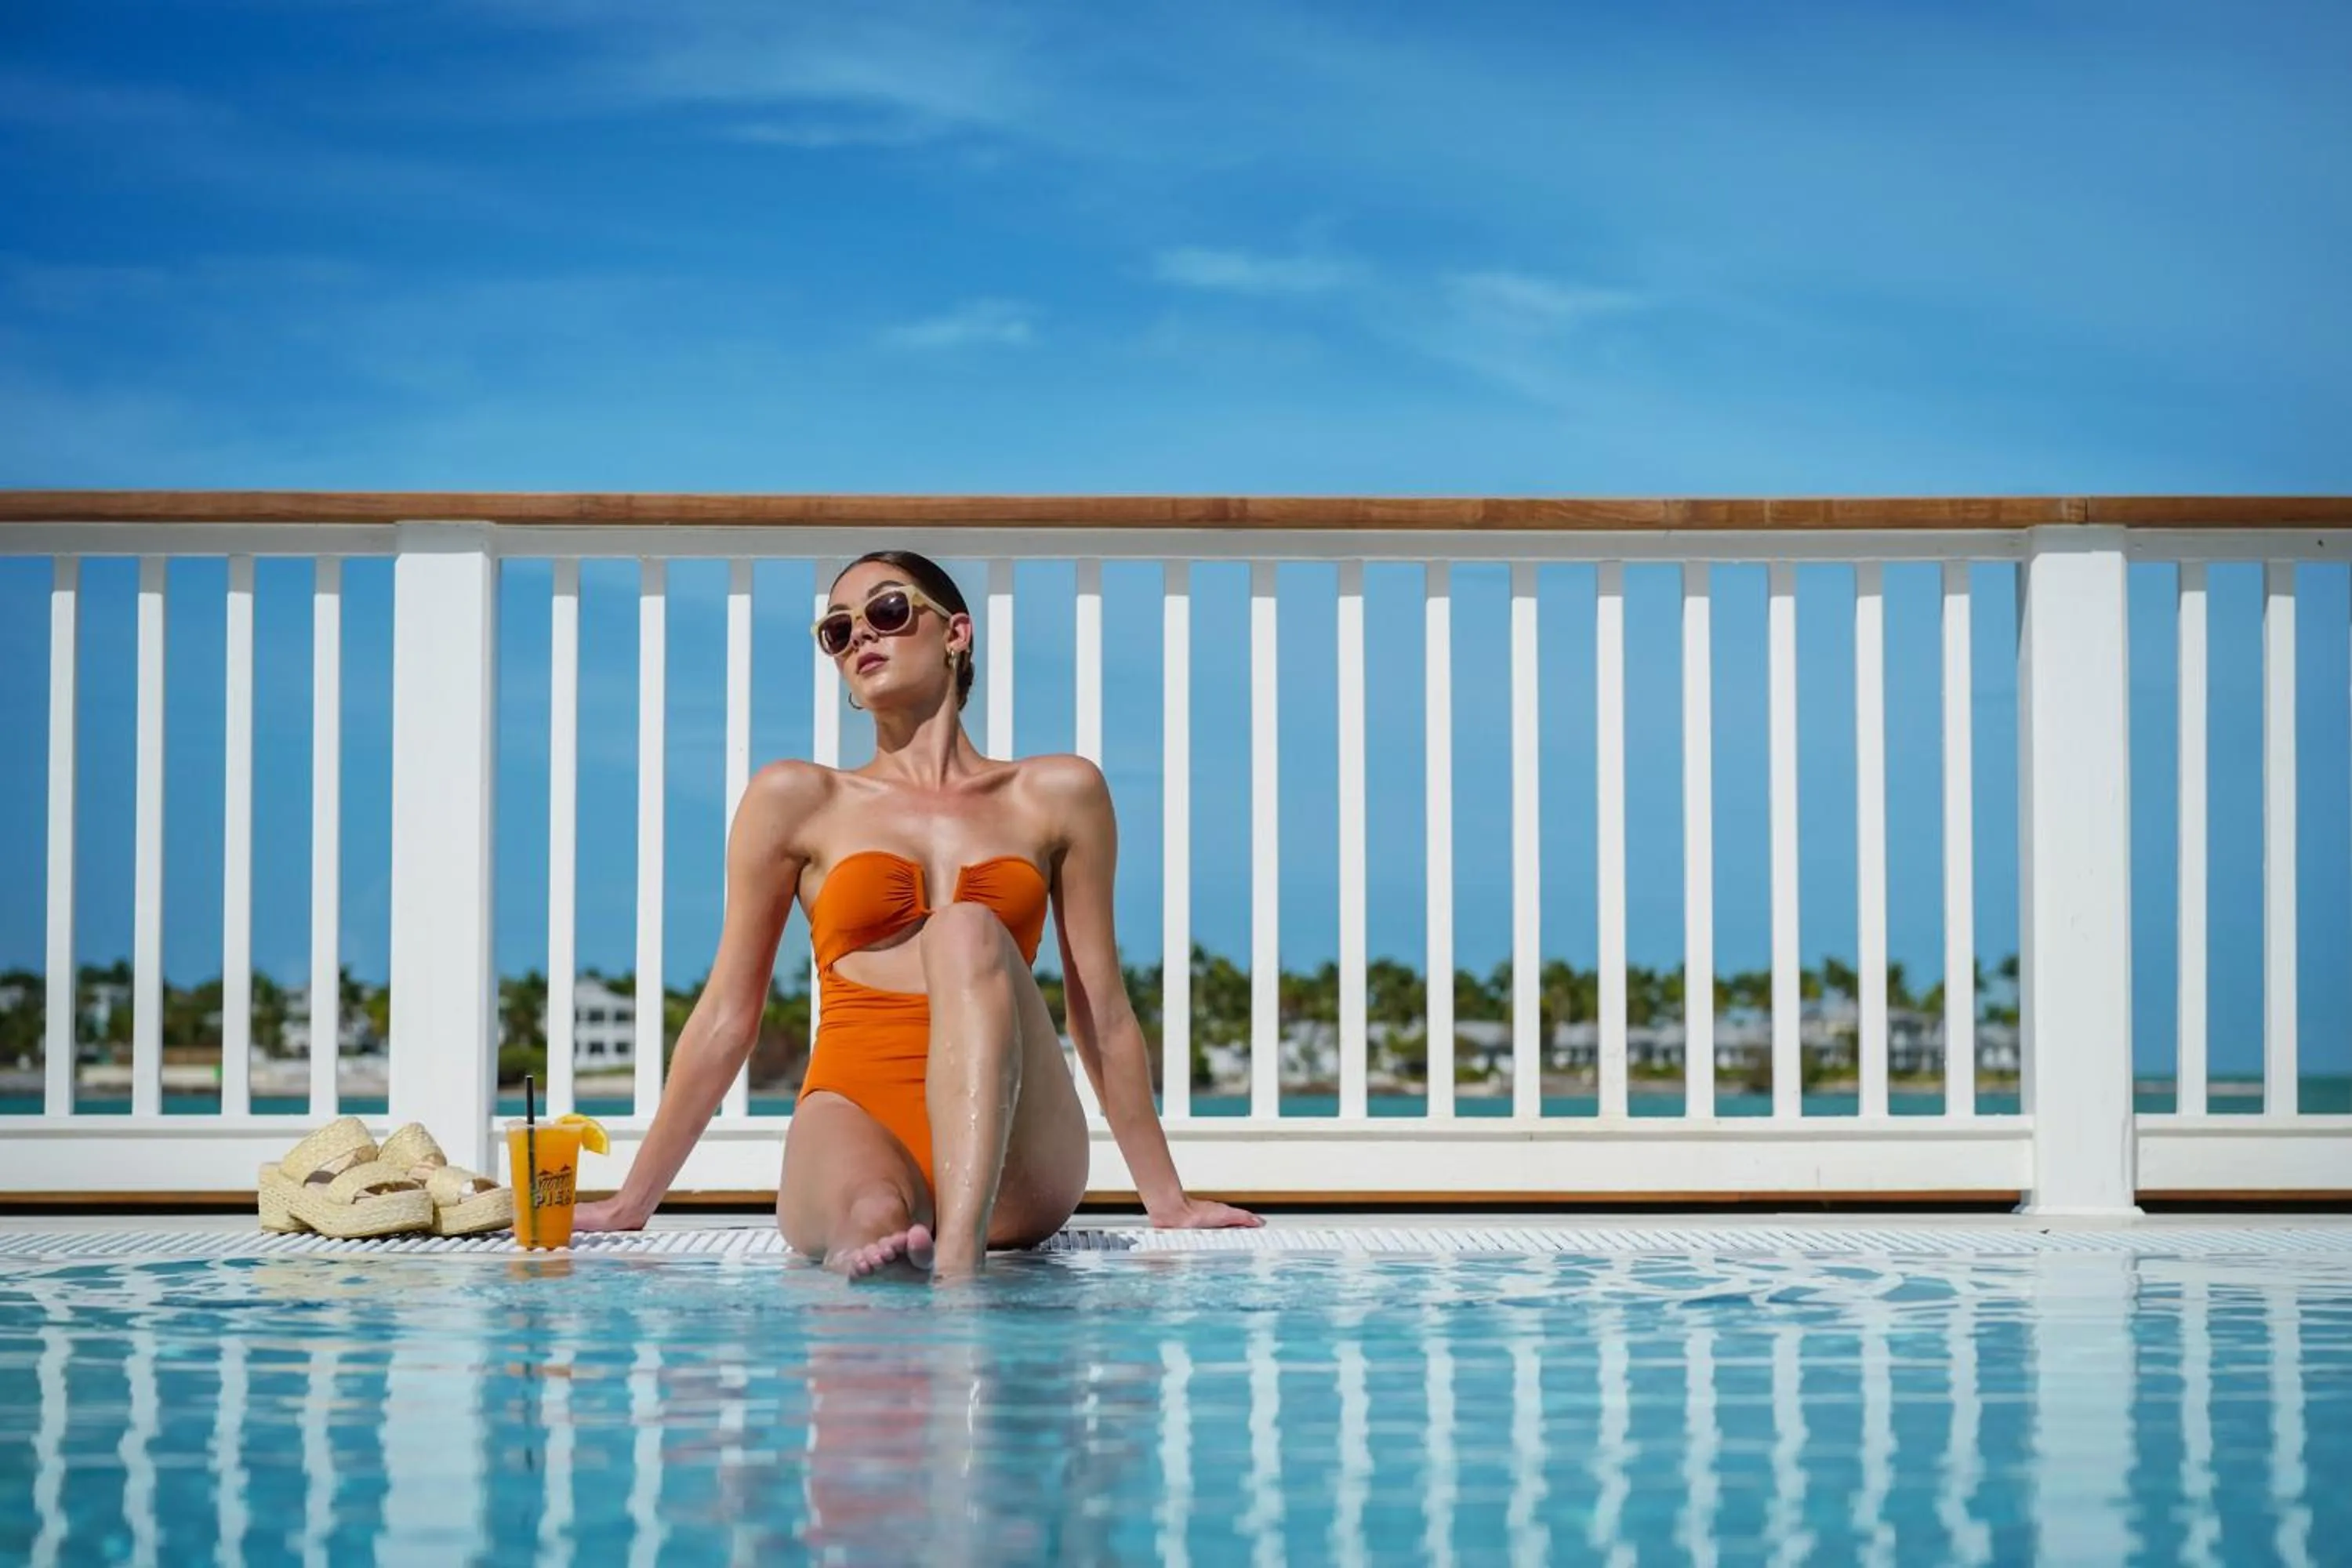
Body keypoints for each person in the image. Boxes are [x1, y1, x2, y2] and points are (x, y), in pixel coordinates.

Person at [575, 550, 1261, 1276]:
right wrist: (630, 1203)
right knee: (870, 1219)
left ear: (956, 634)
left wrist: (1168, 1200)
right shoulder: (797, 800)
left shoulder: (1057, 794)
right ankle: (884, 1259)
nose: (861, 637)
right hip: (855, 1110)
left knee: (964, 925)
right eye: (837, 632)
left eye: (888, 612)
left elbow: (1103, 1012)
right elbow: (726, 1016)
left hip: (1016, 1143)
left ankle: (958, 1269)